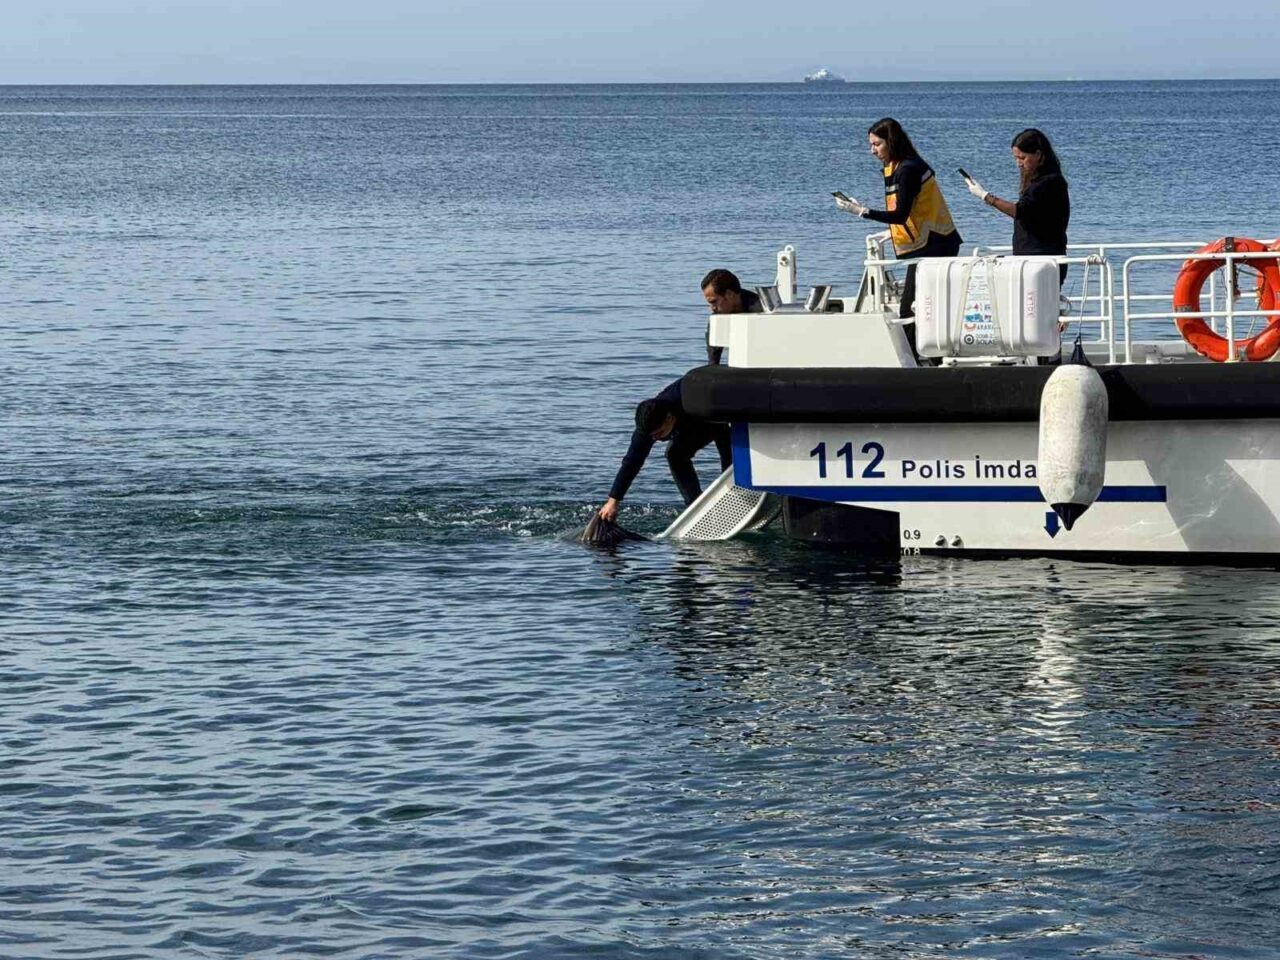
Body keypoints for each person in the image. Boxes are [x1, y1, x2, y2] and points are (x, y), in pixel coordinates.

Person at [834, 117, 962, 326]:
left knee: (910, 308)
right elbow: (910, 212)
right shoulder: (898, 166)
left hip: (936, 244)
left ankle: (919, 355)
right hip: (929, 243)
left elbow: (900, 215)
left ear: (891, 142)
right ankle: (926, 354)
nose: (872, 151)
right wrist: (891, 231)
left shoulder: (908, 169)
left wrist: (860, 211)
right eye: (871, 145)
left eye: (877, 144)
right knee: (918, 305)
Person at [597, 378, 731, 522]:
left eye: (659, 433)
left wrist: (728, 480)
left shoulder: (692, 406)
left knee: (720, 445)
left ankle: (732, 491)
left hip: (712, 409)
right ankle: (696, 506)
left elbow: (724, 436)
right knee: (675, 455)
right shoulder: (648, 425)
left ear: (669, 418)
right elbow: (632, 461)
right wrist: (613, 501)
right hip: (689, 420)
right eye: (652, 435)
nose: (655, 438)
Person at [962, 128, 1070, 283]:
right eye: (1016, 158)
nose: (1019, 163)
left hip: (1042, 259)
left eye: (1023, 158)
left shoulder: (1049, 183)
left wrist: (985, 196)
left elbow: (1020, 211)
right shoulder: (1037, 182)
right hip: (1030, 258)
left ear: (1039, 155)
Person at [701, 268, 761, 365]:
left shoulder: (761, 311)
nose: (712, 308)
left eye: (714, 302)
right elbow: (713, 359)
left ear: (729, 294)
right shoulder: (719, 314)